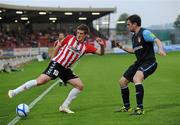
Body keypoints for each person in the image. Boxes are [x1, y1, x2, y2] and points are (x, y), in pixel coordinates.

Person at [8, 24, 105, 114]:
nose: (78, 35)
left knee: (80, 86)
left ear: (86, 35)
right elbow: (58, 46)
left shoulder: (86, 47)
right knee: (41, 81)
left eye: (81, 33)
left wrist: (101, 45)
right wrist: (52, 60)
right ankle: (14, 91)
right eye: (78, 33)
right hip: (57, 64)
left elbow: (101, 53)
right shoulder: (69, 38)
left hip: (65, 69)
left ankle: (64, 106)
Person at [116, 14, 166, 115]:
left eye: (128, 24)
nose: (127, 26)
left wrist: (160, 49)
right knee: (122, 82)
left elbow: (157, 40)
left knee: (136, 79)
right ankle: (127, 107)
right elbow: (134, 51)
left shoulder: (145, 33)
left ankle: (140, 108)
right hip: (139, 63)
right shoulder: (134, 37)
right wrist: (122, 47)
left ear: (135, 24)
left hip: (150, 62)